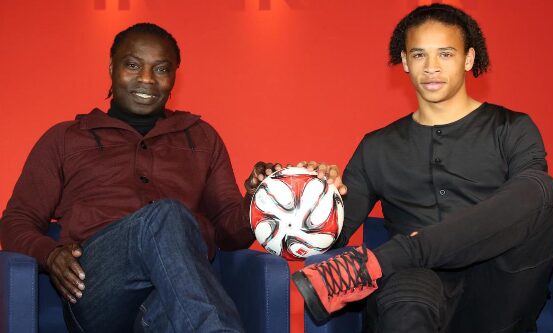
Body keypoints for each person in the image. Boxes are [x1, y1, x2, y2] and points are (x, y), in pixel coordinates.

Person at [0, 23, 338, 333]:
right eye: (133, 65)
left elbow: (228, 233)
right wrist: (51, 253)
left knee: (175, 310)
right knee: (168, 214)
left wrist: (258, 198)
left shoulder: (201, 137)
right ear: (111, 69)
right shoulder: (66, 138)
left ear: (174, 77)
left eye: (161, 69)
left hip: (172, 295)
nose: (147, 79)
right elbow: (15, 221)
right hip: (96, 290)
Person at [292, 4, 553, 333]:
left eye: (445, 54)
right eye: (420, 55)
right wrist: (308, 198)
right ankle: (394, 263)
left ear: (468, 59)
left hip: (498, 297)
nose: (431, 67)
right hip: (413, 296)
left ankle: (389, 258)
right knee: (408, 292)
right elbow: (330, 240)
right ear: (405, 61)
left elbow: (531, 204)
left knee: (544, 189)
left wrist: (396, 256)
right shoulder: (376, 146)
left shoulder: (512, 128)